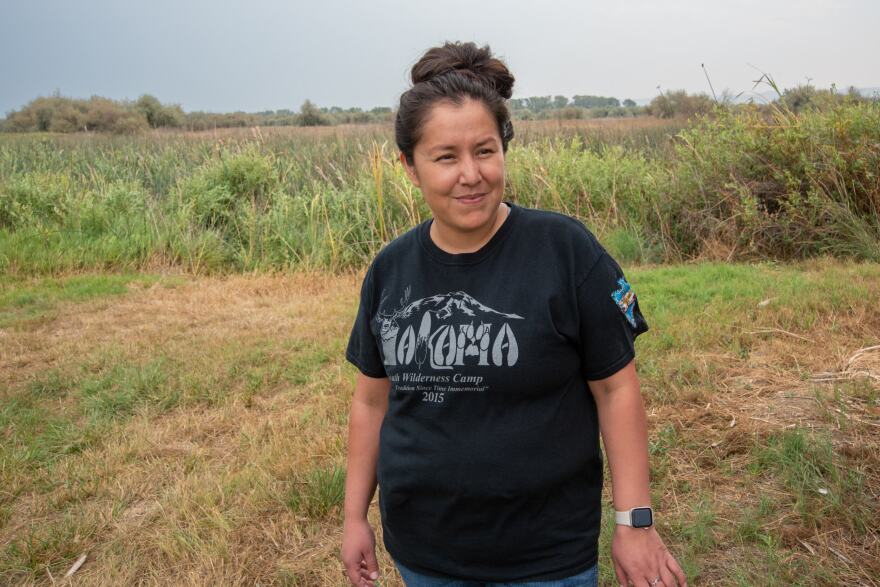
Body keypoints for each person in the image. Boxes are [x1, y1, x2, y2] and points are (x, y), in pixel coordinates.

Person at [341, 41, 687, 587]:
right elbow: (370, 401)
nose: (470, 174)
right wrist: (354, 517)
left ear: (505, 147)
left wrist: (634, 522)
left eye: (484, 150)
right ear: (410, 166)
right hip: (423, 551)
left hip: (547, 556)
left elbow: (616, 391)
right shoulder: (391, 270)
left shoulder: (566, 251)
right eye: (445, 157)